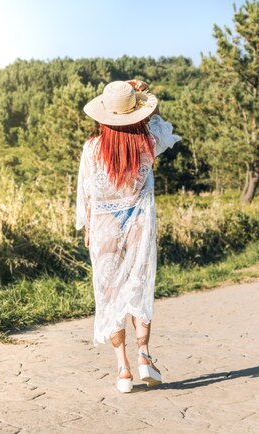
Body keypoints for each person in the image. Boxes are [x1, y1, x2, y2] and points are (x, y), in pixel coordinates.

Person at [75, 79, 181, 393]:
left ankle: (123, 369)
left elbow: (87, 192)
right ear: (136, 113)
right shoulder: (149, 141)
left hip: (105, 222)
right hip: (140, 220)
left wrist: (89, 227)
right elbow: (163, 121)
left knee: (109, 294)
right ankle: (144, 355)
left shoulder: (93, 147)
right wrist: (144, 95)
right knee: (140, 283)